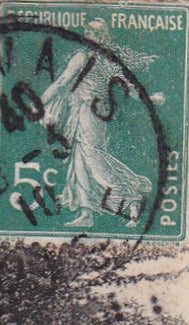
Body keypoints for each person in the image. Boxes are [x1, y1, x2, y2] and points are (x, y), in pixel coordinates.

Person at [39, 20, 156, 228]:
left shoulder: (86, 58)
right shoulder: (106, 60)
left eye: (95, 32)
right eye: (88, 31)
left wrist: (38, 105)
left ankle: (130, 198)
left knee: (93, 161)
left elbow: (61, 83)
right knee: (80, 161)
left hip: (89, 113)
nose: (90, 34)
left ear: (102, 36)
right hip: (88, 113)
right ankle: (86, 214)